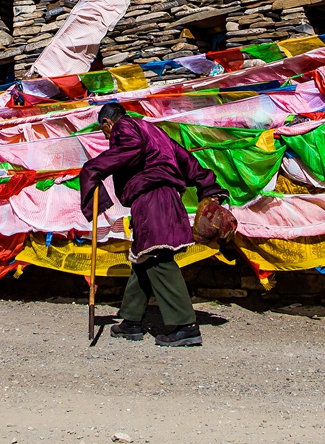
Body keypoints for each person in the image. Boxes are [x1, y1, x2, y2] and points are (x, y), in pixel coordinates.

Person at [80, 102, 228, 347]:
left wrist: (93, 168)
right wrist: (207, 185)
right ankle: (131, 320)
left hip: (151, 196)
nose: (108, 137)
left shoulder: (123, 127)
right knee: (143, 257)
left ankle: (184, 326)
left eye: (104, 132)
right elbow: (186, 159)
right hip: (167, 196)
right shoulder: (154, 131)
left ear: (107, 123)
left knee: (158, 256)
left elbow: (130, 148)